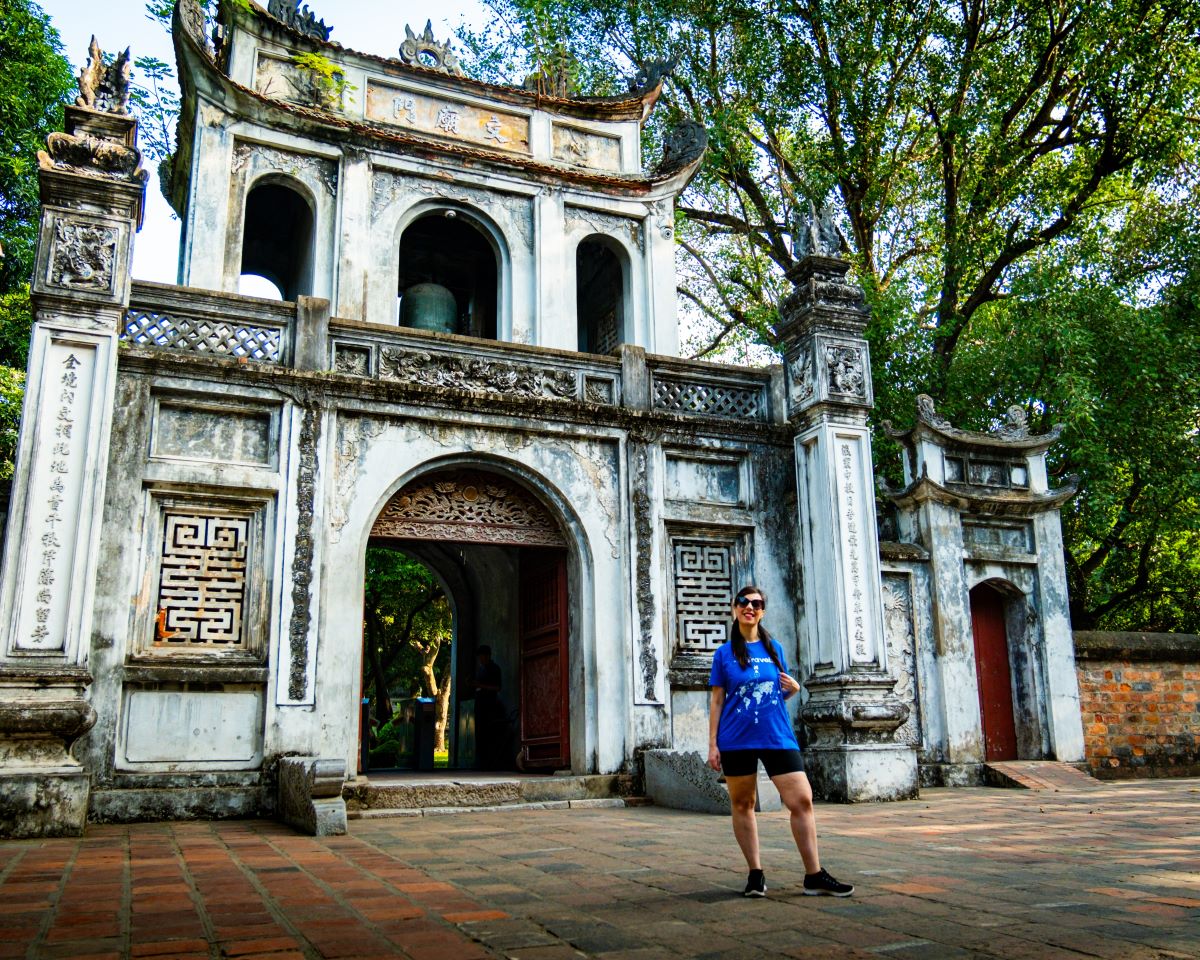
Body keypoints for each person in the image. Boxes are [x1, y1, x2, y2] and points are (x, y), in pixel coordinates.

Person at [707, 585, 854, 898]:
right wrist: (712, 744)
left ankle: (814, 874)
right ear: (734, 608)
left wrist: (795, 689)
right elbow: (717, 701)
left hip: (776, 735)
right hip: (736, 739)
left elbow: (778, 691)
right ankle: (755, 873)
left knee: (802, 799)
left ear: (763, 611)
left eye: (757, 604)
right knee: (743, 804)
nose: (750, 607)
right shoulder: (723, 655)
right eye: (744, 602)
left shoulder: (775, 649)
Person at [473, 645, 504, 768]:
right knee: (480, 734)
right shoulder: (481, 669)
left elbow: (497, 687)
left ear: (487, 656)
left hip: (490, 705)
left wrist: (482, 685)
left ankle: (490, 763)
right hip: (480, 704)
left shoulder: (495, 669)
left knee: (489, 734)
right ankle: (481, 762)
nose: (480, 660)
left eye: (482, 657)